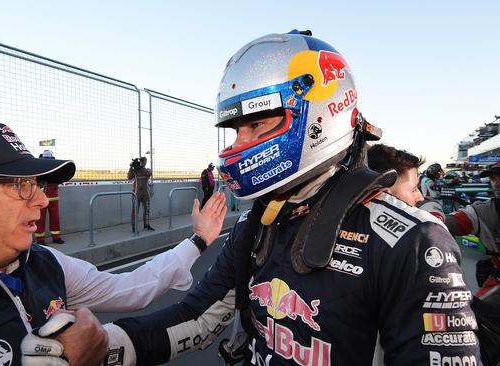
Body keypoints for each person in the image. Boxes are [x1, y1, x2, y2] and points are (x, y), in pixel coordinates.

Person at [102, 30, 481, 365]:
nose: (240, 144)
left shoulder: (412, 242)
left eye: (256, 124)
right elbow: (197, 318)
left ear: (318, 118)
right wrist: (104, 345)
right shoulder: (258, 224)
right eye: (235, 130)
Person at [0, 123, 228, 365]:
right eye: (19, 185)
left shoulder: (42, 262)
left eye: (37, 184)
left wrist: (198, 240)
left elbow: (131, 289)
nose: (42, 200)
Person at [420, 161, 500, 365]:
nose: (496, 183)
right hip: (497, 283)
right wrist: (432, 215)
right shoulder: (485, 212)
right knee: (468, 319)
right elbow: (446, 222)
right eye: (493, 178)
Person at [34, 150, 65, 244]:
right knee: (40, 219)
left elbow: (60, 179)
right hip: (41, 197)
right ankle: (40, 240)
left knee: (55, 218)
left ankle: (56, 237)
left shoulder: (55, 167)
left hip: (54, 197)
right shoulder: (38, 167)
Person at [127, 156, 154, 231]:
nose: (143, 162)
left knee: (147, 209)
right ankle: (134, 226)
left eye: (144, 161)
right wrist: (131, 168)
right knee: (135, 210)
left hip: (145, 192)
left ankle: (146, 225)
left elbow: (149, 173)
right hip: (137, 192)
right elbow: (129, 177)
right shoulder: (135, 170)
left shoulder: (146, 170)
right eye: (141, 161)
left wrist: (140, 168)